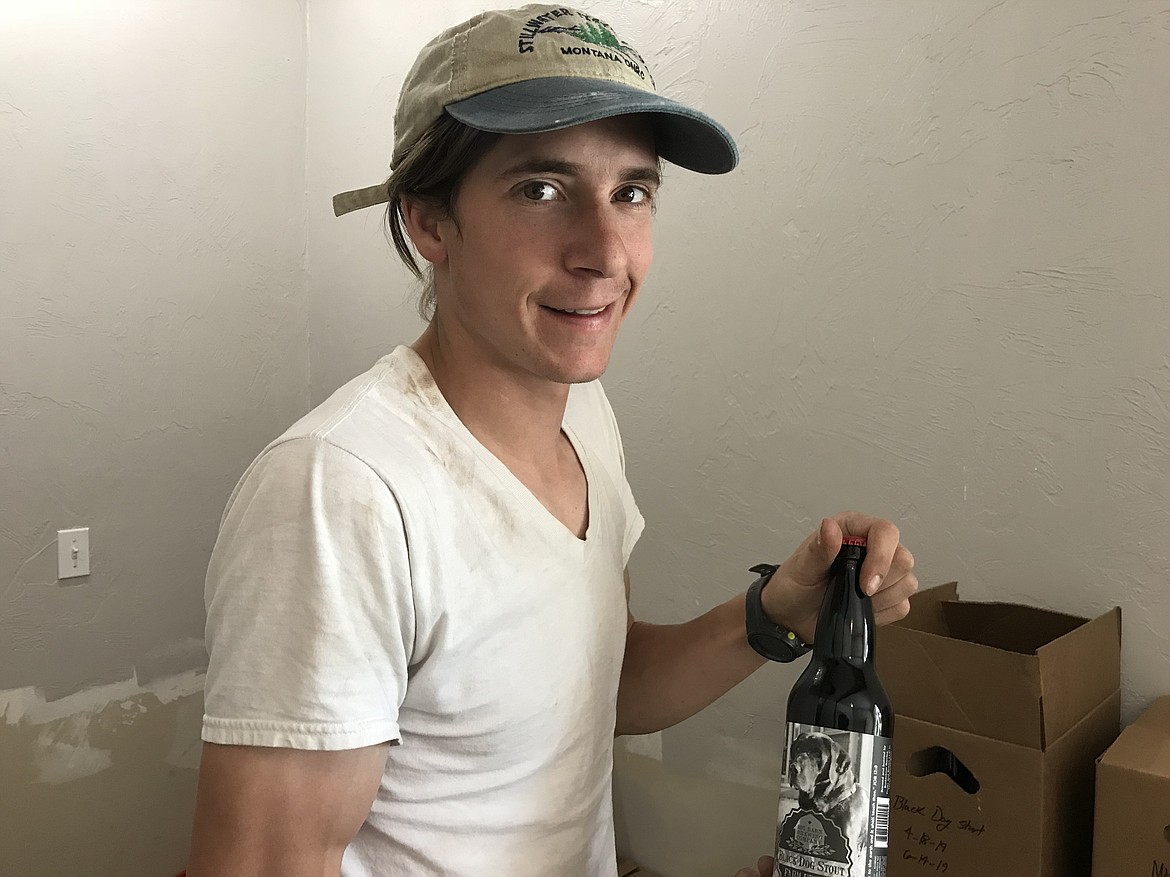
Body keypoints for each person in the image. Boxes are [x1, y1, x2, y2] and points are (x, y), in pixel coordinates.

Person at [185, 5, 918, 877]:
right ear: (429, 222)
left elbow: (596, 689)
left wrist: (777, 615)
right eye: (540, 189)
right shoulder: (340, 491)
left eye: (631, 192)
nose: (606, 251)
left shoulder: (585, 416)